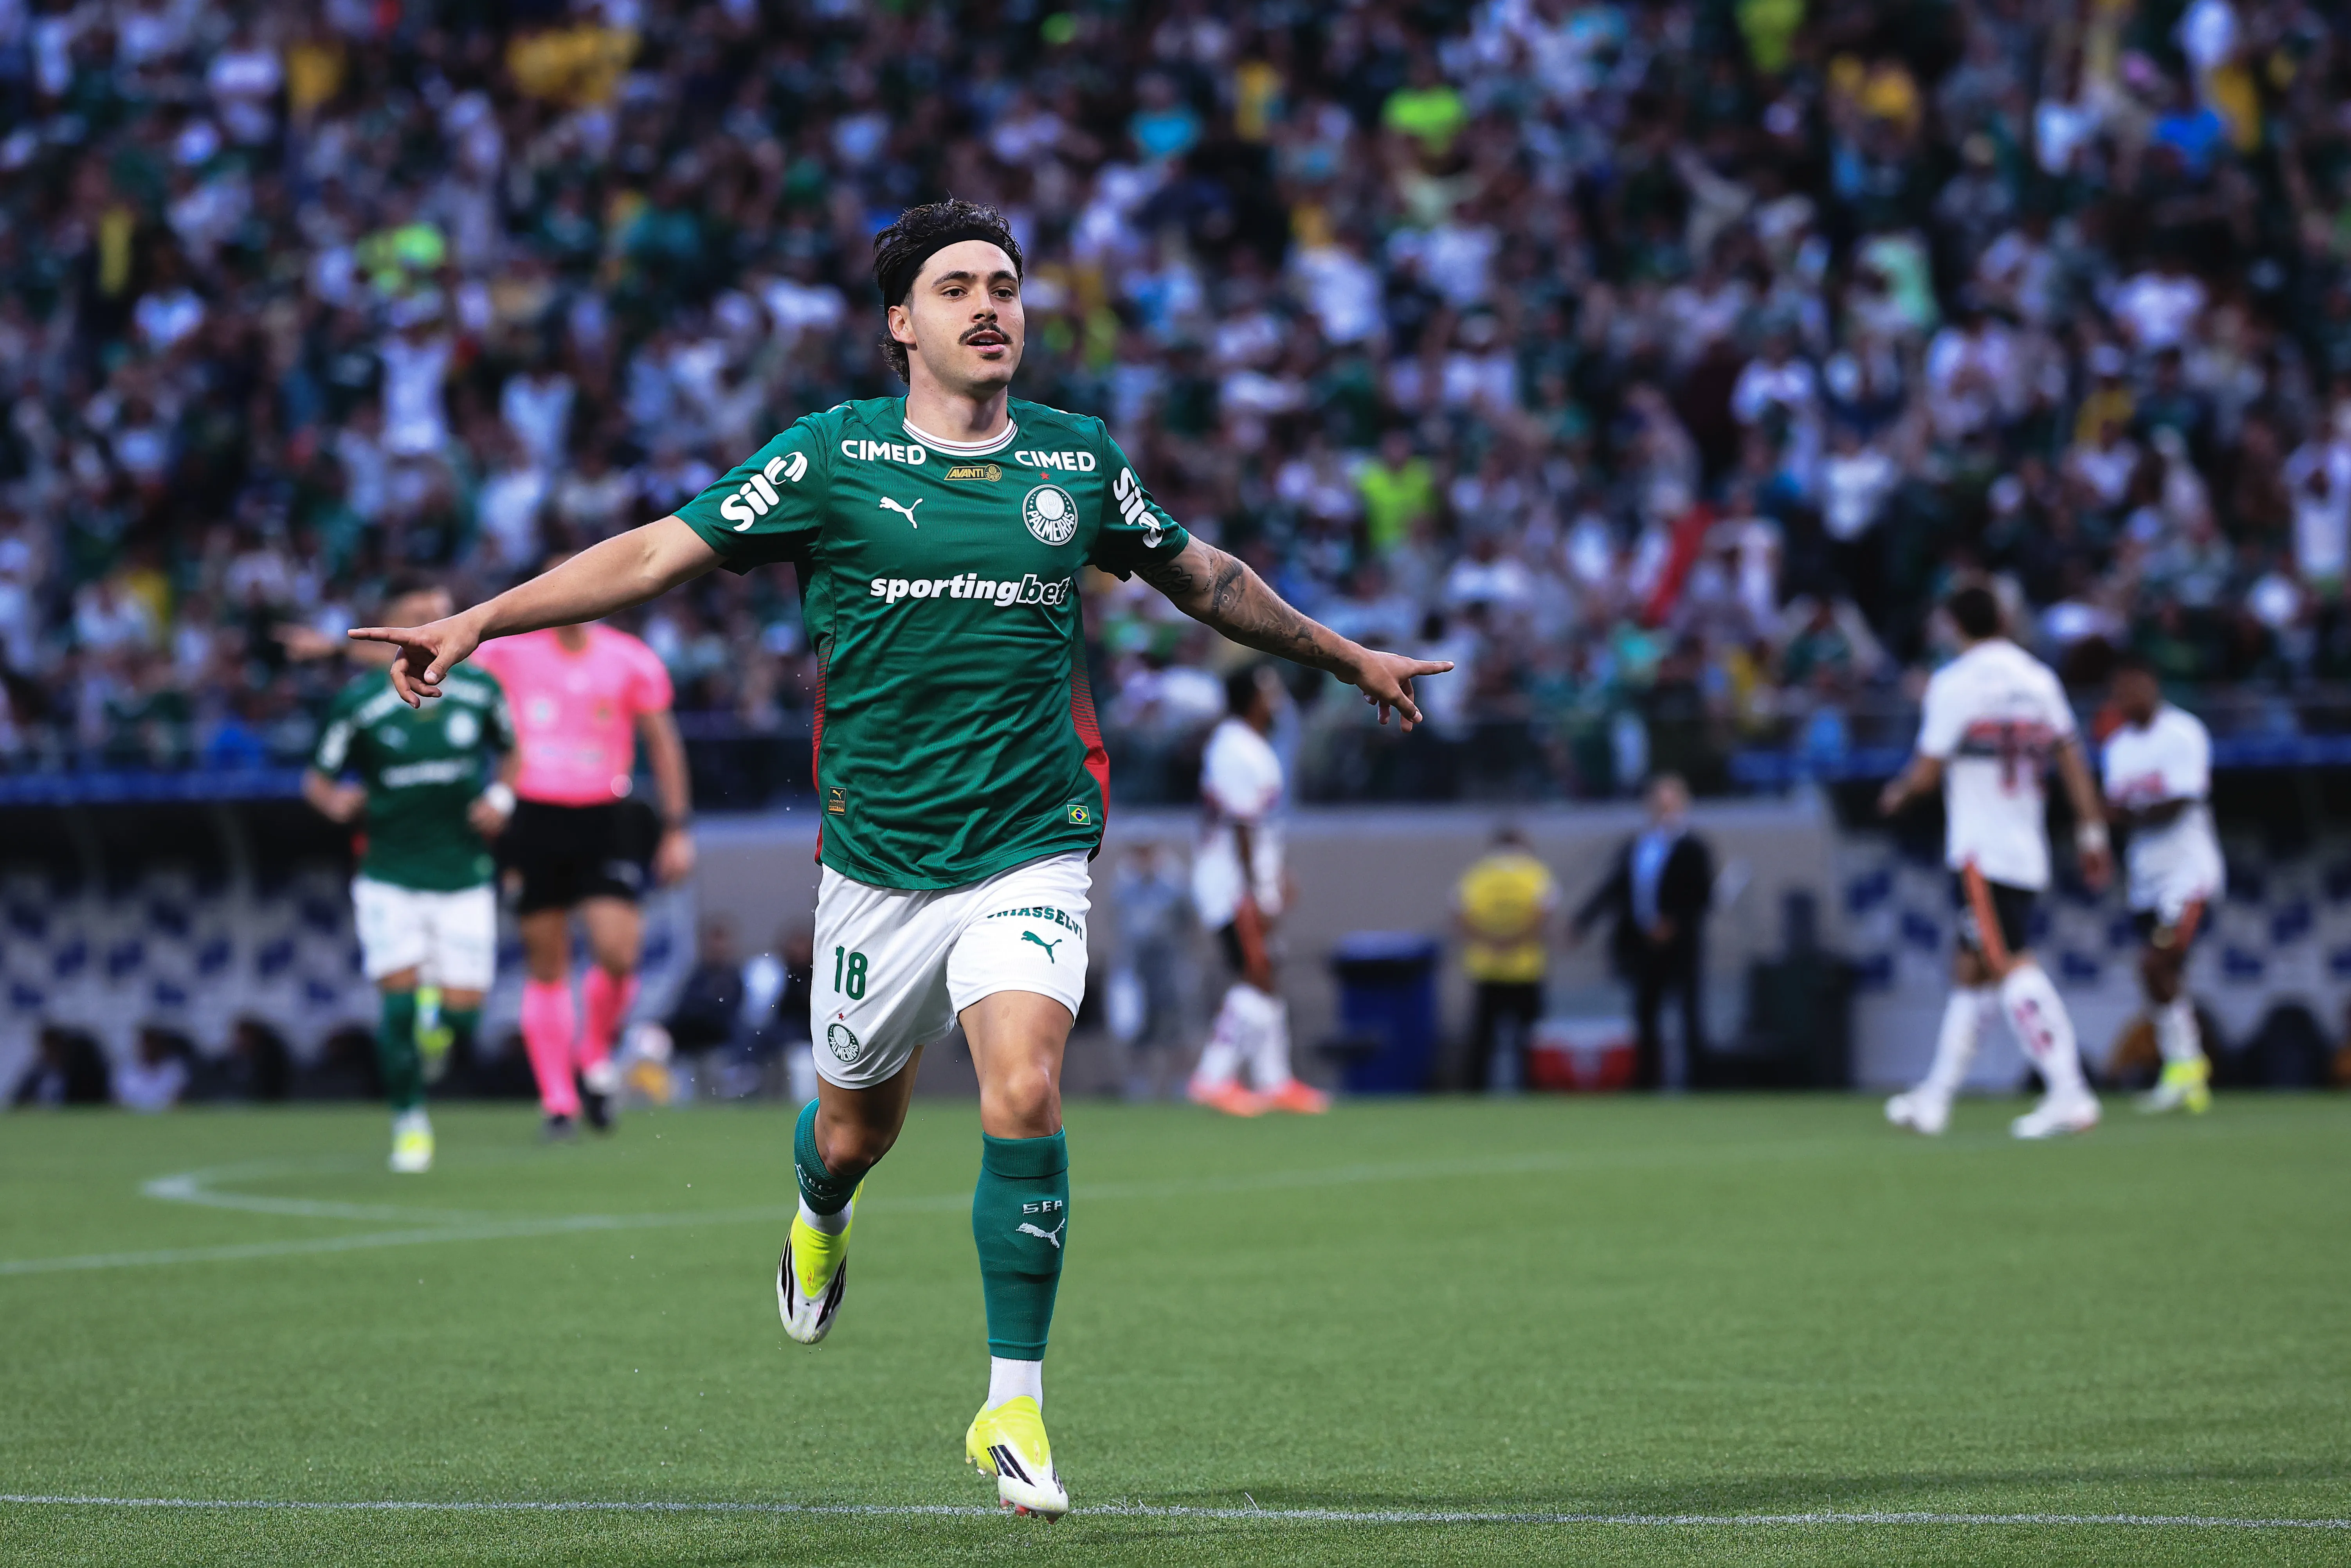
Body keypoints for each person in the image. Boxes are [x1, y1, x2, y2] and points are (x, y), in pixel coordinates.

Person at [348, 199, 1449, 1519]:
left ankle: (1013, 1399)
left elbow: (1204, 578)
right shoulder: (830, 459)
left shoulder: (1076, 463)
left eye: (1005, 286)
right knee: (856, 1125)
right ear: (899, 321)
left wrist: (1346, 653)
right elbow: (653, 552)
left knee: (1026, 1085)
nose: (991, 308)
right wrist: (480, 620)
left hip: (1030, 842)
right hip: (877, 863)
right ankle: (819, 1210)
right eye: (957, 288)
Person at [470, 561, 694, 1140]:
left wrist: (675, 826)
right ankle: (559, 1100)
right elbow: (458, 695)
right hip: (533, 813)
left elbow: (663, 743)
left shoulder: (630, 658)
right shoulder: (507, 654)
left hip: (605, 813)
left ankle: (593, 1052)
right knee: (547, 962)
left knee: (619, 951)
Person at [1878, 584, 2112, 1139]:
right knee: (1971, 968)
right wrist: (2090, 832)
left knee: (2008, 961)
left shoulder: (1953, 683)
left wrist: (1897, 793)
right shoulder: (2037, 679)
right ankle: (1933, 1099)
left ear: (1953, 625)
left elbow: (1928, 770)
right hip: (2024, 844)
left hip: (1979, 847)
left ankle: (2067, 1090)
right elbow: (2072, 761)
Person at [304, 575, 515, 1173]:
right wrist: (336, 802)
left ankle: (437, 1024)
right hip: (389, 873)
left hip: (463, 871)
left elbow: (511, 750)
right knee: (396, 1011)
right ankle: (409, 1121)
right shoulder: (361, 701)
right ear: (393, 625)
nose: (435, 620)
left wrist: (500, 797)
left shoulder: (478, 690)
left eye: (441, 610)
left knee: (464, 1018)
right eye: (420, 612)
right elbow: (317, 779)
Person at [1185, 664, 1330, 1117]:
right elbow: (1242, 825)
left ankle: (1274, 1079)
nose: (1276, 696)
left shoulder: (1250, 745)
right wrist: (1255, 888)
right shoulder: (1233, 748)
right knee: (1256, 971)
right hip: (1229, 879)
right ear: (1249, 695)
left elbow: (1263, 826)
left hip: (1248, 874)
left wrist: (1279, 871)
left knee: (1269, 971)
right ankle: (1212, 1076)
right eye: (1268, 688)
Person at [2101, 653, 2223, 1114]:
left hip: (2187, 875)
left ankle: (2188, 1065)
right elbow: (2112, 809)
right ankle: (2186, 1072)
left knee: (2157, 964)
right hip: (2145, 879)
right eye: (2117, 691)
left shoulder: (2183, 732)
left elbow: (2179, 801)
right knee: (2161, 974)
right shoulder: (2117, 747)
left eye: (2131, 687)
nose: (2124, 698)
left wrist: (2127, 812)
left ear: (2152, 685)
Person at [1570, 775, 1714, 1090]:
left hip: (1681, 944)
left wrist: (1672, 922)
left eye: (1670, 802)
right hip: (1642, 943)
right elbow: (1614, 888)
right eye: (1658, 802)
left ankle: (1699, 1083)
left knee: (1689, 1012)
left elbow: (1701, 896)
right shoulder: (1636, 846)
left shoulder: (1694, 848)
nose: (1663, 809)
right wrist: (1582, 922)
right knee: (1644, 1013)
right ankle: (1647, 1081)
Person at [1454, 825, 1559, 1091]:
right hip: (1525, 968)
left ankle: (1475, 1091)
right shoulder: (1534, 873)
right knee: (1528, 1040)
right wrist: (1515, 941)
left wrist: (1491, 941)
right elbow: (1542, 914)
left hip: (1487, 967)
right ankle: (1532, 1089)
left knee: (1482, 1039)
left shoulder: (1477, 875)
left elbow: (1460, 915)